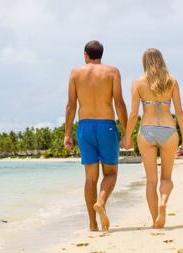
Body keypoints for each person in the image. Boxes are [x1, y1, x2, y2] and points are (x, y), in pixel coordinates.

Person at [121, 48, 183, 229]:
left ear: (144, 62)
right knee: (166, 178)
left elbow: (134, 113)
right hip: (168, 130)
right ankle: (163, 202)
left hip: (147, 131)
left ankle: (155, 221)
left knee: (151, 180)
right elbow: (180, 113)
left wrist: (127, 137)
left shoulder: (137, 82)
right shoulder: (171, 81)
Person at [64, 40, 128, 232]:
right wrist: (127, 132)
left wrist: (67, 133)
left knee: (90, 178)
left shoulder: (75, 73)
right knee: (110, 173)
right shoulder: (112, 72)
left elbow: (71, 105)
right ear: (102, 54)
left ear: (85, 54)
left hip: (84, 127)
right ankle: (101, 202)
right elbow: (119, 103)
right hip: (106, 126)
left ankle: (92, 224)